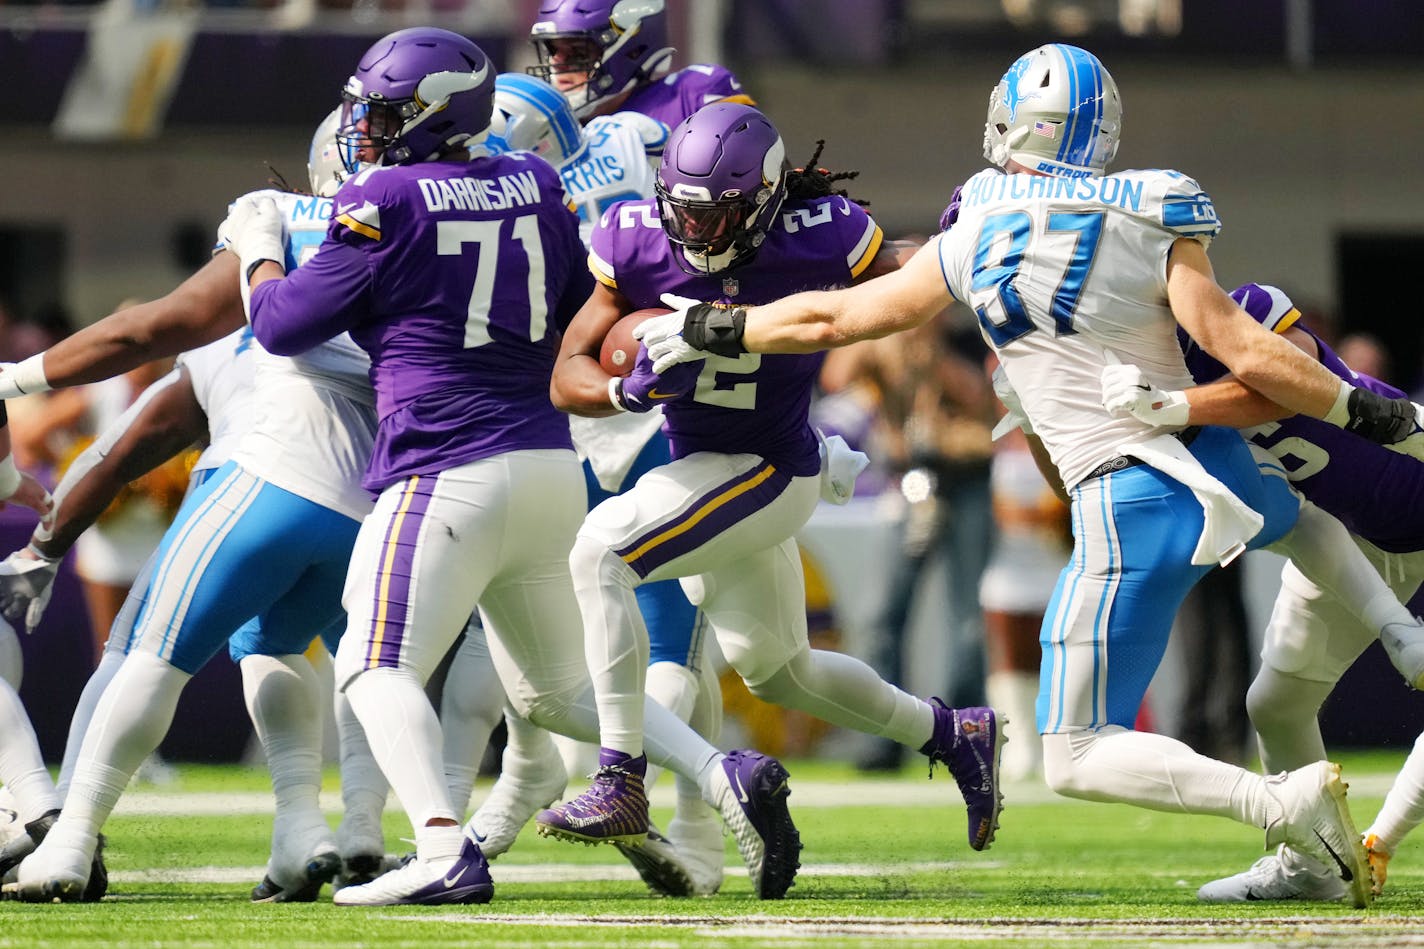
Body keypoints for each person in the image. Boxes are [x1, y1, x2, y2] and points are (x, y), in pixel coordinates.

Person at [636, 44, 1424, 910]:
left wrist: (722, 328)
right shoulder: (1152, 204)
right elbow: (1243, 350)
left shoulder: (978, 217)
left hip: (1127, 493)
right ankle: (1312, 840)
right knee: (1291, 546)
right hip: (1208, 467)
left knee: (1074, 751)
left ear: (1011, 121)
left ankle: (1283, 801)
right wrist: (1362, 409)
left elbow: (842, 316)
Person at [232, 28, 804, 906]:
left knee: (373, 663)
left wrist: (259, 244)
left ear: (434, 113)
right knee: (559, 691)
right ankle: (723, 768)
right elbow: (582, 308)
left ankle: (438, 845)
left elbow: (279, 324)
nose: (367, 128)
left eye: (384, 112)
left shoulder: (387, 194)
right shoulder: (537, 184)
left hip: (441, 463)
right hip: (543, 466)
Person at [542, 102, 1005, 869]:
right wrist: (623, 394)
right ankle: (955, 733)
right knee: (782, 671)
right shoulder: (632, 236)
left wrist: (962, 251)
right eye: (684, 214)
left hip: (769, 465)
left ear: (764, 201)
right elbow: (568, 373)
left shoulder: (822, 231)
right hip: (704, 465)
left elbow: (912, 285)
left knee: (600, 554)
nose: (697, 235)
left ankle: (621, 778)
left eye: (718, 217)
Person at [6, 113, 391, 905]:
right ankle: (320, 831)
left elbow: (130, 433)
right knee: (287, 648)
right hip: (373, 501)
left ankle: (69, 840)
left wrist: (16, 387)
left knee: (139, 653)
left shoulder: (277, 234)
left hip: (268, 471)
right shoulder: (420, 243)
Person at [476, 72, 727, 898]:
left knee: (657, 632)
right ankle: (569, 786)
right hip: (600, 407)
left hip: (621, 410)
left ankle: (672, 813)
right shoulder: (630, 155)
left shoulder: (597, 176)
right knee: (636, 634)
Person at [1103, 282, 1424, 902]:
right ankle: (1318, 867)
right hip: (1352, 536)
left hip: (1412, 475)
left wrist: (1178, 405)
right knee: (1275, 705)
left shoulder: (1246, 307)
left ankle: (1377, 844)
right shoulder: (1139, 383)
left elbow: (1284, 381)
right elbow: (1298, 521)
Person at [820, 312, 998, 773]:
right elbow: (836, 377)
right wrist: (877, 328)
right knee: (881, 614)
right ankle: (885, 734)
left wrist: (930, 350)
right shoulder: (885, 337)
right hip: (907, 481)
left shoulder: (966, 330)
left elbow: (977, 396)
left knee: (967, 617)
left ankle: (964, 733)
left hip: (966, 477)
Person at [528, 0, 753, 130]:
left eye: (578, 51)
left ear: (633, 50)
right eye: (553, 49)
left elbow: (770, 187)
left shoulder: (691, 97)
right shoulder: (545, 127)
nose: (557, 64)